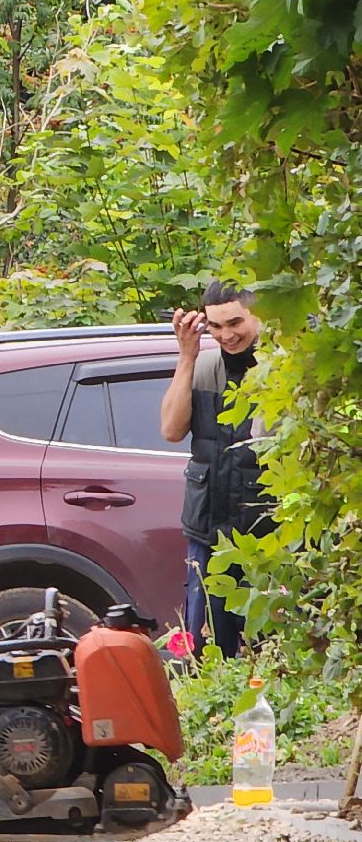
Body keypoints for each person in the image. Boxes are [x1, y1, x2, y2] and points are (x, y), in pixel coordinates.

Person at [160, 279, 267, 658]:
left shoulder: (282, 368)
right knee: (207, 649)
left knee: (271, 648)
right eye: (215, 326)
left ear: (257, 315)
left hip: (266, 537)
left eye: (235, 323)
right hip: (209, 533)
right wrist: (186, 356)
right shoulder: (202, 366)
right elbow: (171, 430)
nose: (226, 335)